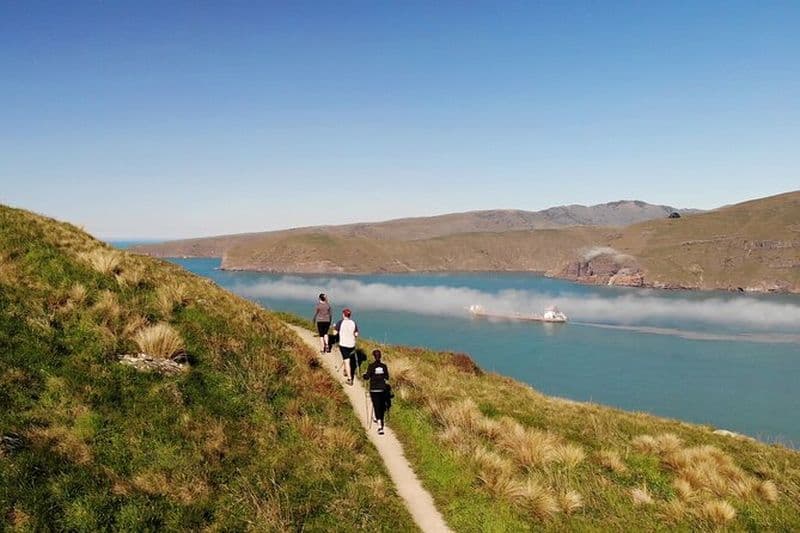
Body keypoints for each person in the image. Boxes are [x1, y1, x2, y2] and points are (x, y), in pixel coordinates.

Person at [363, 349, 390, 435]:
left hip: (374, 389)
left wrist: (364, 375)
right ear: (380, 356)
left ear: (373, 356)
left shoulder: (371, 366)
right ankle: (378, 419)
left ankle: (379, 426)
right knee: (381, 406)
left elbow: (367, 377)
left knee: (376, 404)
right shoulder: (384, 366)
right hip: (382, 389)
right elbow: (387, 377)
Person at [334, 308, 359, 385]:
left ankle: (349, 379)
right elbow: (356, 334)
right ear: (349, 315)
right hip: (352, 345)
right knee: (348, 359)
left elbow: (335, 333)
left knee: (346, 360)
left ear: (343, 314)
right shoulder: (353, 322)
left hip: (343, 345)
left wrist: (334, 327)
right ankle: (345, 370)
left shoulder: (340, 322)